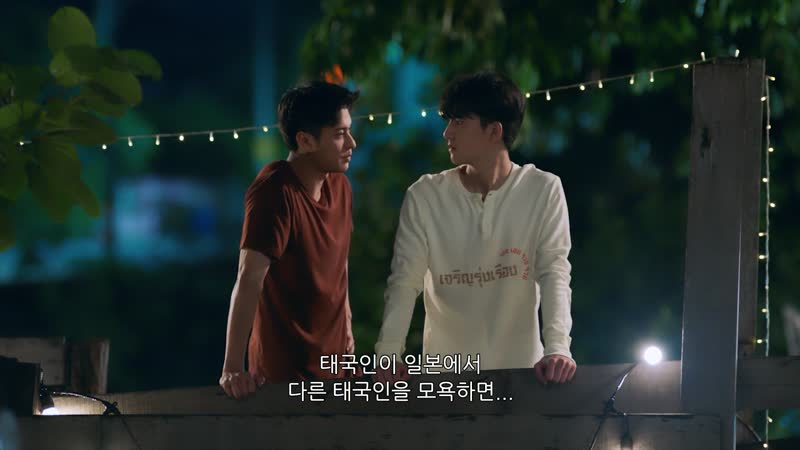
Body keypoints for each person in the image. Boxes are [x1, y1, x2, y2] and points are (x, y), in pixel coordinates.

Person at [374, 72, 577, 385]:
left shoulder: (543, 189)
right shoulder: (425, 196)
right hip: (446, 380)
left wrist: (558, 349)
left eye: (459, 121)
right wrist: (388, 354)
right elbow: (404, 280)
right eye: (448, 121)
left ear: (494, 131)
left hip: (523, 379)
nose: (447, 132)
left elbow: (554, 273)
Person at [219, 81, 359, 398]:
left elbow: (340, 265)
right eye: (340, 134)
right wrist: (232, 368)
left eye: (349, 131)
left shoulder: (341, 186)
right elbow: (249, 278)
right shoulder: (275, 191)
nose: (352, 142)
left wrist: (348, 338)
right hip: (283, 378)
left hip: (338, 371)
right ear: (305, 140)